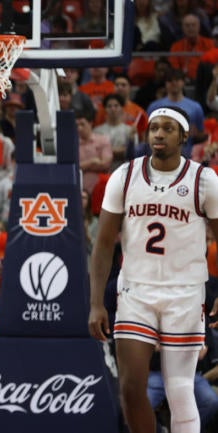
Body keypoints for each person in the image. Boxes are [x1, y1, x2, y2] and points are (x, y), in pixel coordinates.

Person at [89, 106, 218, 433]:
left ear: (184, 136)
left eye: (168, 128)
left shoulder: (204, 179)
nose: (158, 134)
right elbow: (104, 243)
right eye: (154, 128)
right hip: (135, 291)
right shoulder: (125, 175)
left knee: (179, 390)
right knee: (131, 389)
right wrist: (95, 303)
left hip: (185, 294)